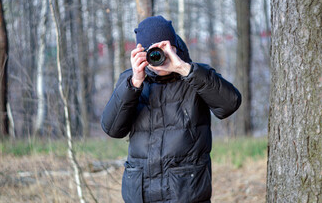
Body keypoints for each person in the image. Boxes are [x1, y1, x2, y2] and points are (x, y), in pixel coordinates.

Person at [101, 15, 241, 203]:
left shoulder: (195, 75)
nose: (160, 57)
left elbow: (230, 104)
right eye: (154, 51)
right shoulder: (131, 81)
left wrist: (185, 69)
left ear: (174, 46)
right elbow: (112, 129)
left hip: (185, 193)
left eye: (165, 48)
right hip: (141, 193)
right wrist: (134, 83)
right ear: (142, 52)